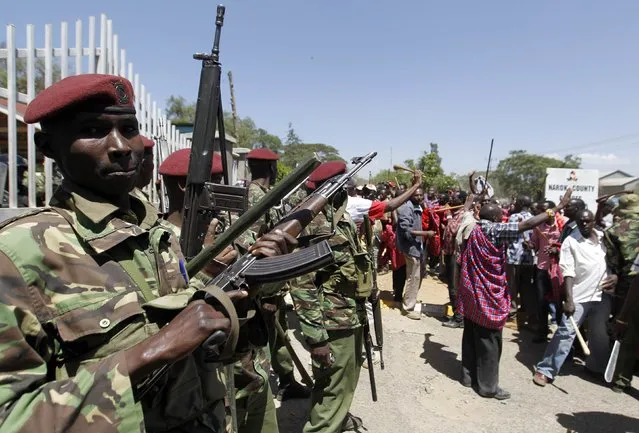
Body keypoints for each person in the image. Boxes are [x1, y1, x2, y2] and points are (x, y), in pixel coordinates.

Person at [0, 74, 296, 433]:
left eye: (129, 129)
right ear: (47, 146)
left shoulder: (153, 233)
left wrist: (249, 294)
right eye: (93, 130)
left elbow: (203, 353)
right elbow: (12, 417)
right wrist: (151, 352)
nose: (121, 145)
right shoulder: (18, 254)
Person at [457, 190, 572, 400]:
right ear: (494, 219)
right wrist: (554, 209)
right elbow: (526, 225)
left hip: (471, 292)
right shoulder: (494, 230)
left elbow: (466, 209)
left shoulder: (471, 225)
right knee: (490, 341)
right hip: (486, 296)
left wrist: (472, 199)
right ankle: (488, 387)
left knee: (471, 336)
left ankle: (468, 377)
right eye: (500, 216)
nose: (503, 218)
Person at [290, 161, 370, 433]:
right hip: (331, 321)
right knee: (334, 385)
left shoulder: (339, 216)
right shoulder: (313, 222)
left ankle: (337, 418)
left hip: (349, 313)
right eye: (343, 182)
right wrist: (316, 337)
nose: (349, 186)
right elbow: (301, 282)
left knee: (342, 381)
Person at [245, 147, 310, 403]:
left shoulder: (251, 194)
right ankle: (262, 390)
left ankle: (286, 380)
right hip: (263, 282)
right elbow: (256, 244)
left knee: (276, 334)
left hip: (263, 282)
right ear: (272, 169)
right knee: (262, 338)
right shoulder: (258, 199)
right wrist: (269, 286)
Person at [533, 210, 614, 386]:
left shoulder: (602, 237)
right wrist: (569, 299)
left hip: (602, 295)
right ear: (576, 222)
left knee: (600, 333)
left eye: (588, 221)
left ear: (594, 221)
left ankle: (596, 367)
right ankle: (546, 369)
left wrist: (615, 277)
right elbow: (567, 270)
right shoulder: (571, 241)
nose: (584, 224)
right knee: (566, 332)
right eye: (581, 221)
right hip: (579, 294)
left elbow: (614, 260)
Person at [396, 187, 435, 320]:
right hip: (411, 248)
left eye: (420, 195)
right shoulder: (407, 208)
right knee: (413, 278)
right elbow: (405, 229)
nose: (419, 197)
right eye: (416, 195)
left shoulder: (417, 206)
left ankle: (410, 301)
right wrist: (426, 233)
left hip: (417, 247)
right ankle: (408, 308)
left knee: (416, 277)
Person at [530, 200, 562, 342]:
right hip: (542, 268)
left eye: (545, 210)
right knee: (541, 301)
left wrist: (557, 249)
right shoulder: (537, 227)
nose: (542, 214)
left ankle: (561, 337)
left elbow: (568, 245)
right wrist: (529, 245)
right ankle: (542, 332)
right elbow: (535, 244)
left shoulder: (563, 224)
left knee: (560, 302)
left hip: (558, 270)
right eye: (540, 211)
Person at [505, 195, 535, 318]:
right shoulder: (535, 218)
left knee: (512, 285)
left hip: (513, 256)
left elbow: (508, 235)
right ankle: (525, 308)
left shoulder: (514, 217)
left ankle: (512, 309)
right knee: (526, 285)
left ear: (521, 203)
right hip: (528, 257)